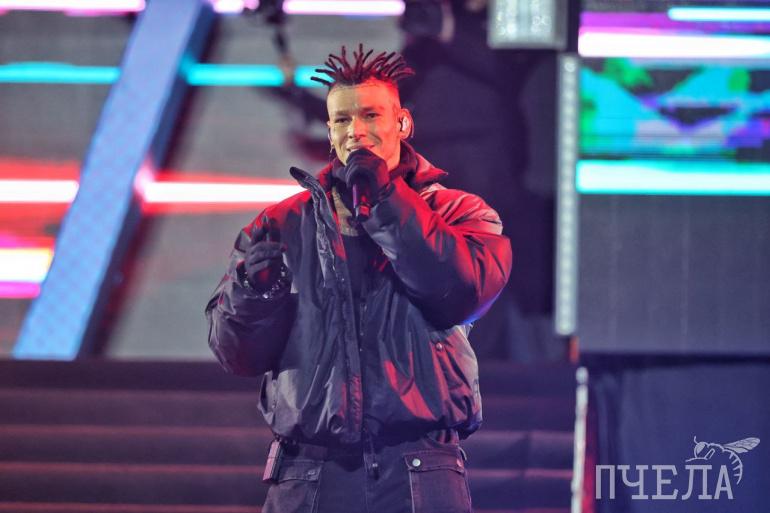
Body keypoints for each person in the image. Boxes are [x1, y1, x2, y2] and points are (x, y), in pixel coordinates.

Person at [206, 44, 512, 513]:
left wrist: (385, 198)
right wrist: (254, 293)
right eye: (343, 120)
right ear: (330, 132)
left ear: (402, 123)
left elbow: (460, 292)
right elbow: (237, 355)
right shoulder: (280, 224)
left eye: (371, 115)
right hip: (309, 472)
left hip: (420, 466)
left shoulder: (457, 212)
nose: (356, 131)